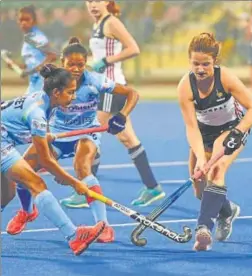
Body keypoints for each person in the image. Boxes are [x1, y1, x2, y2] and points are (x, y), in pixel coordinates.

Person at [7, 37, 140, 242]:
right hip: (56, 134)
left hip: (86, 132)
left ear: (86, 63)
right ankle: (27, 212)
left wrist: (121, 116)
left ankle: (103, 225)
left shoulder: (96, 80)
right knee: (25, 169)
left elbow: (132, 93)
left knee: (82, 167)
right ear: (63, 63)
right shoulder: (54, 83)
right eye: (71, 64)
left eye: (80, 64)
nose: (76, 69)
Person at [59, 1, 165, 209]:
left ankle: (85, 191)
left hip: (111, 89)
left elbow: (133, 48)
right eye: (89, 1)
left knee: (91, 135)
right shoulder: (98, 24)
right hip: (109, 87)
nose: (93, 5)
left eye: (98, 0)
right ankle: (153, 187)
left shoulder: (111, 22)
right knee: (128, 139)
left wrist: (107, 61)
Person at [1, 64, 105, 255]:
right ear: (56, 92)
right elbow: (46, 160)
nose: (74, 97)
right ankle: (74, 236)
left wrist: (44, 136)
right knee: (37, 183)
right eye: (70, 92)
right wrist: (74, 183)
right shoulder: (38, 114)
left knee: (5, 195)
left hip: (5, 140)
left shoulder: (45, 101)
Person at [178, 32, 252, 251]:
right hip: (203, 134)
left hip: (231, 129)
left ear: (214, 61)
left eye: (206, 64)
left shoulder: (225, 77)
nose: (200, 69)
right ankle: (227, 211)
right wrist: (197, 157)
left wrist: (239, 130)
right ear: (190, 61)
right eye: (196, 63)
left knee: (217, 169)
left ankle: (203, 229)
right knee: (200, 190)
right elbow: (191, 127)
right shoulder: (185, 86)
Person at [5, 5, 57, 94]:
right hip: (34, 85)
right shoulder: (28, 38)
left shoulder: (36, 37)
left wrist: (30, 71)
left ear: (34, 21)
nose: (23, 23)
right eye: (21, 20)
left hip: (43, 84)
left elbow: (52, 55)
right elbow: (32, 64)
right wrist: (15, 66)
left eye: (27, 19)